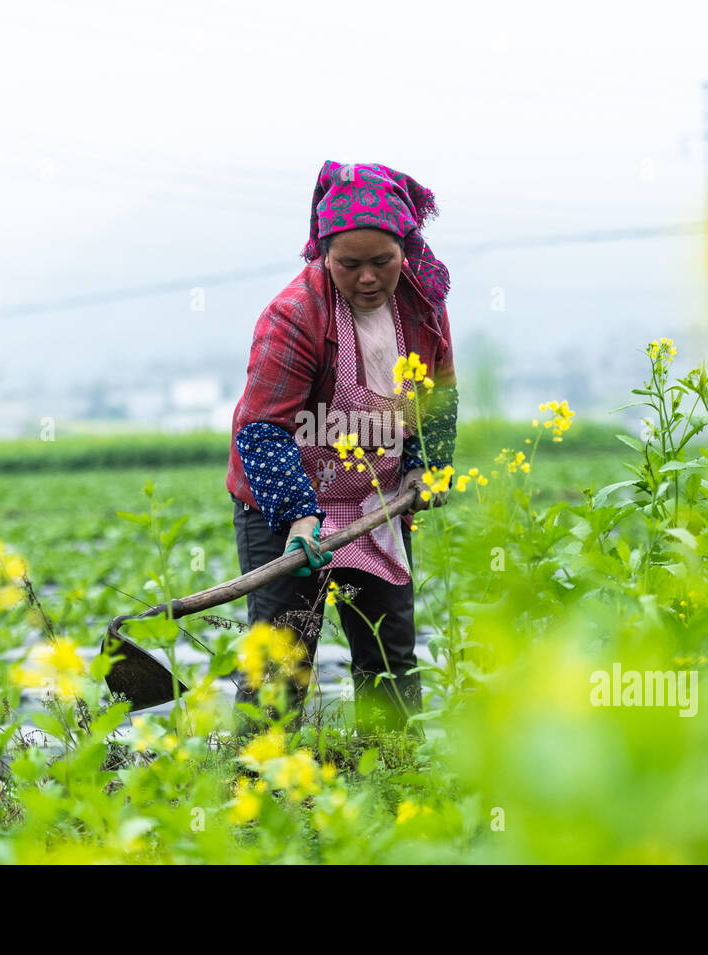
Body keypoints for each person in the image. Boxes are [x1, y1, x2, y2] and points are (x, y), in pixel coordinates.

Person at [225, 160, 459, 738]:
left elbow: (440, 396)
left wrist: (426, 467)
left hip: (375, 503)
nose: (369, 278)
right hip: (286, 501)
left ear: (405, 248)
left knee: (389, 655)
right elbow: (262, 427)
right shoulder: (294, 315)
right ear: (323, 254)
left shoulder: (422, 308)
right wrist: (300, 517)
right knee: (282, 662)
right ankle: (256, 795)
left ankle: (394, 778)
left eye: (382, 261)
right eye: (349, 264)